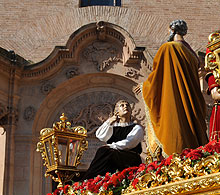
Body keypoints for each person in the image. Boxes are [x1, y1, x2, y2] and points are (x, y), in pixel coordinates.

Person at [143, 19, 207, 158]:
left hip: (174, 98)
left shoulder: (168, 48)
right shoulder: (192, 54)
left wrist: (144, 86)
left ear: (171, 30)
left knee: (177, 134)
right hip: (193, 103)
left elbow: (159, 74)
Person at [81, 100, 145, 181]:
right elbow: (100, 135)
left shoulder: (136, 128)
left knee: (104, 151)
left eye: (127, 105)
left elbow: (129, 142)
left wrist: (111, 146)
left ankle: (87, 179)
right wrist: (110, 121)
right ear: (116, 111)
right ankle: (94, 180)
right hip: (114, 155)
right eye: (122, 105)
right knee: (105, 153)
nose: (125, 106)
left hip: (130, 157)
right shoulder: (113, 127)